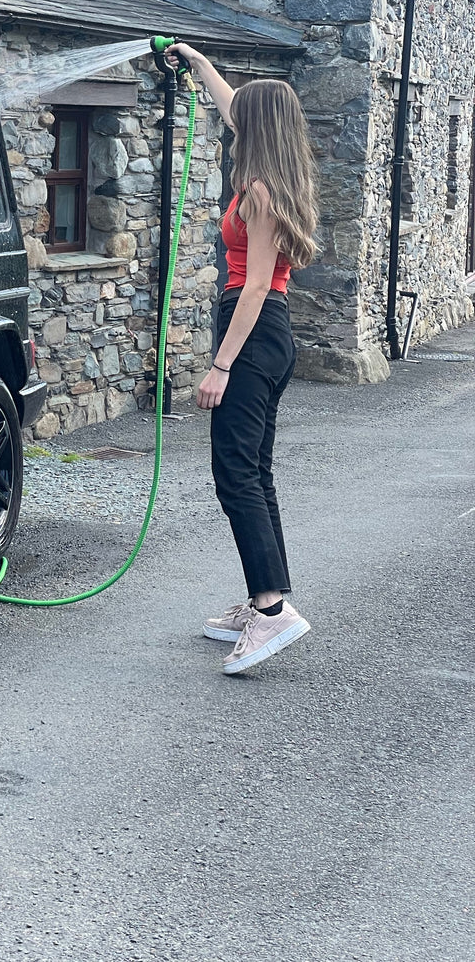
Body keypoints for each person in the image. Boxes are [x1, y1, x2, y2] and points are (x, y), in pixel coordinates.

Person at [167, 42, 318, 675]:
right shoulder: (279, 177)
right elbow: (233, 105)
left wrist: (220, 366)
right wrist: (197, 62)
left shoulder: (258, 193)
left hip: (252, 332)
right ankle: (268, 595)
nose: (233, 123)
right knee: (255, 470)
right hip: (267, 334)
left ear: (257, 130)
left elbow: (255, 287)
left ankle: (271, 610)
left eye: (241, 120)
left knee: (235, 473)